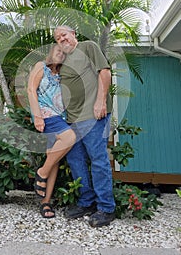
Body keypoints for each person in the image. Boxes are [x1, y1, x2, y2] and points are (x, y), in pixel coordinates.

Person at [54, 25, 116, 227]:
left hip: (92, 115)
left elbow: (104, 72)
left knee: (98, 160)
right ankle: (86, 202)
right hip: (71, 120)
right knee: (76, 161)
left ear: (74, 34)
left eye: (64, 34)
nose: (61, 39)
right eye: (57, 38)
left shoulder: (88, 47)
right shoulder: (62, 61)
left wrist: (100, 102)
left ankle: (106, 209)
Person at [27, 44, 76, 219]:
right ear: (51, 52)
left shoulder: (63, 74)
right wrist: (37, 116)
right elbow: (31, 89)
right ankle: (42, 173)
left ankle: (45, 201)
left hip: (61, 117)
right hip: (46, 116)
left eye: (64, 54)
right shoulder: (41, 67)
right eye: (58, 51)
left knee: (54, 157)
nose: (61, 55)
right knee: (70, 137)